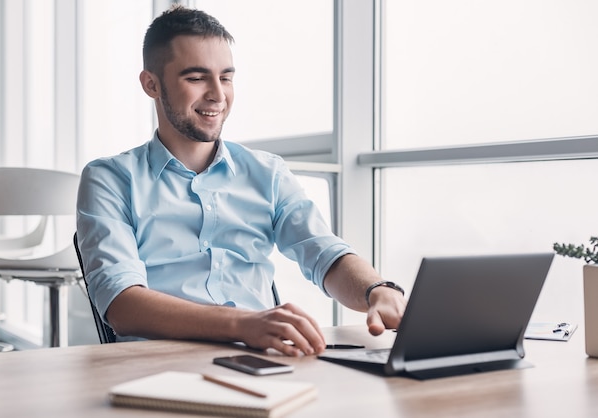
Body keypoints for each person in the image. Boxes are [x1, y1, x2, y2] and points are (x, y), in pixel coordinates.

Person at [76, 5, 406, 356]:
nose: (218, 94)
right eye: (196, 78)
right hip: (159, 362)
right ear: (151, 84)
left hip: (261, 359)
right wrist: (243, 324)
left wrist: (378, 289)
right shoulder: (109, 179)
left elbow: (324, 252)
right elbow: (122, 306)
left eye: (226, 77)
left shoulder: (268, 172)